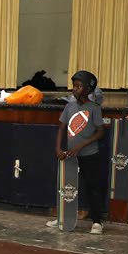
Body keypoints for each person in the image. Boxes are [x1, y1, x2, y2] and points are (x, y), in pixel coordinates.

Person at [51, 70, 106, 234]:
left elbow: (100, 132)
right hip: (70, 156)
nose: (74, 89)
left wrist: (81, 145)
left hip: (89, 155)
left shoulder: (94, 108)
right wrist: (58, 148)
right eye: (74, 86)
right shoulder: (69, 106)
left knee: (92, 187)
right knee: (65, 186)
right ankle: (63, 217)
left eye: (78, 86)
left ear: (88, 89)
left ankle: (97, 222)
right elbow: (62, 127)